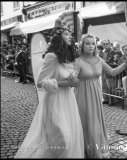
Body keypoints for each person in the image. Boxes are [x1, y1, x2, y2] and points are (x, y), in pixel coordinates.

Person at [14, 13, 85, 158]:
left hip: (68, 101)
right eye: (66, 34)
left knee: (70, 139)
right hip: (54, 101)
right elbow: (40, 82)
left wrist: (74, 80)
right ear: (58, 37)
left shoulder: (69, 57)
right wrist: (65, 83)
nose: (70, 36)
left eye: (70, 34)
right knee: (62, 140)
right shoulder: (51, 56)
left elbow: (71, 77)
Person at [73, 34, 127, 158]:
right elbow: (72, 77)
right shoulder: (77, 61)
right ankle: (84, 149)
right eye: (87, 43)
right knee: (84, 122)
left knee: (96, 122)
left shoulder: (99, 60)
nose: (90, 46)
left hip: (95, 95)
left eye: (92, 43)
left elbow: (113, 72)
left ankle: (95, 148)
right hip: (81, 95)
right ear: (82, 46)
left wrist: (126, 63)